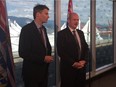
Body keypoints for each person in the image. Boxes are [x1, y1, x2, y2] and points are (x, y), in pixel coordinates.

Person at [18, 4, 53, 87]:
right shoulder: (26, 30)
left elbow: (46, 47)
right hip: (31, 74)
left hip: (43, 72)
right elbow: (23, 52)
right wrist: (43, 58)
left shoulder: (43, 29)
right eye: (46, 13)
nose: (48, 16)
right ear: (38, 14)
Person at [57, 12, 89, 87]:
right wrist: (74, 63)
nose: (76, 22)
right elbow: (61, 52)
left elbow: (86, 48)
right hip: (68, 70)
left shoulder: (81, 33)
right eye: (74, 20)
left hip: (81, 69)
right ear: (68, 20)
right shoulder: (61, 34)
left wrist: (84, 60)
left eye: (77, 20)